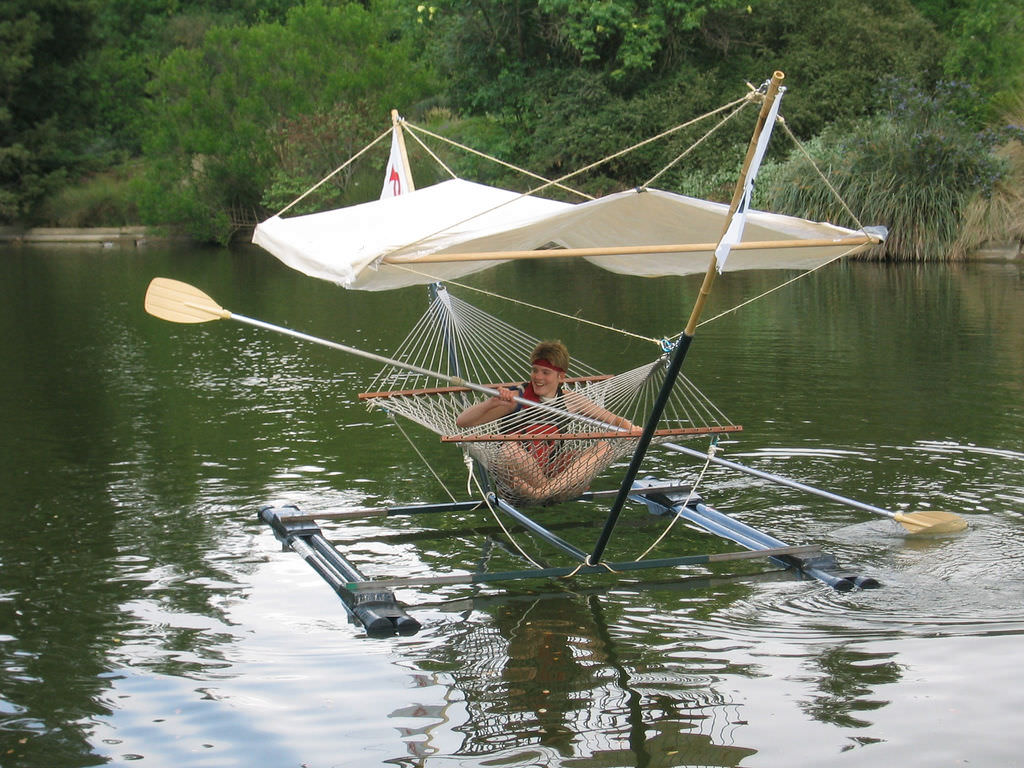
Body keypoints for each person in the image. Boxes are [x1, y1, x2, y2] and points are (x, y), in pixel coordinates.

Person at [456, 341, 639, 502]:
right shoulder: (517, 397)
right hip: (515, 475)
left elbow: (613, 420)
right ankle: (557, 491)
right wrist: (491, 402)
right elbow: (462, 422)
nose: (538, 377)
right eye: (535, 370)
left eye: (546, 372)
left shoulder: (568, 399)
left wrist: (633, 428)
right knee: (509, 449)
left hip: (550, 470)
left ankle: (543, 493)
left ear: (561, 377)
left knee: (604, 448)